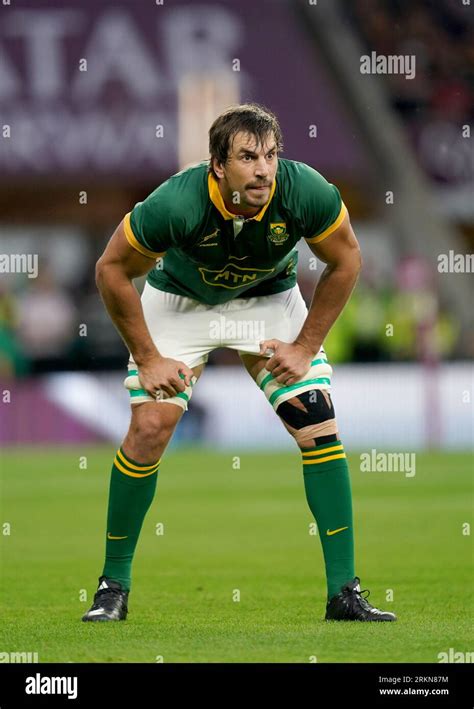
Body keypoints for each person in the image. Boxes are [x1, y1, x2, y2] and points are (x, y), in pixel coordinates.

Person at [82, 103, 397, 623]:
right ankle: (112, 587)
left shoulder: (306, 191)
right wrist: (149, 357)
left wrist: (304, 346)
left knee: (316, 422)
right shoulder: (176, 203)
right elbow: (111, 270)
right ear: (217, 166)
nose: (264, 168)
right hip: (181, 301)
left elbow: (347, 260)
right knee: (150, 429)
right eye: (248, 157)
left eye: (271, 155)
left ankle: (344, 593)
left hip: (268, 302)